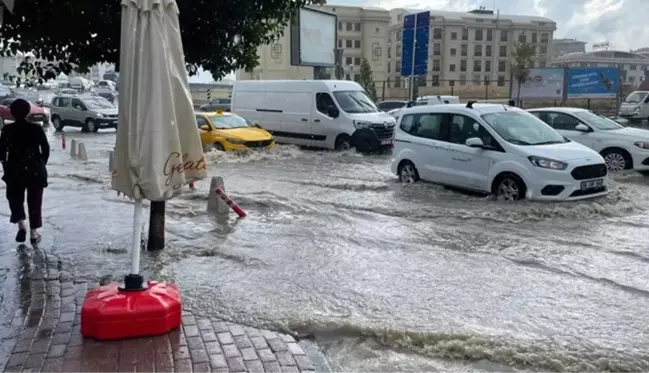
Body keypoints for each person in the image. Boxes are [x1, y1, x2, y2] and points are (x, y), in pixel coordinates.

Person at [0, 99, 50, 244]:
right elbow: (45, 149)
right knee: (35, 200)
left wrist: (6, 166)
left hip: (14, 170)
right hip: (34, 170)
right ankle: (34, 233)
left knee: (15, 199)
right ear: (28, 111)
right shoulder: (36, 129)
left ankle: (22, 225)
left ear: (12, 113)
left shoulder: (7, 130)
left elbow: (1, 153)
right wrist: (41, 164)